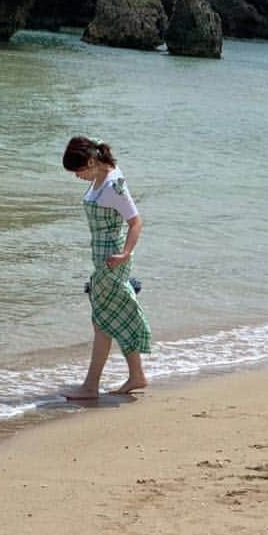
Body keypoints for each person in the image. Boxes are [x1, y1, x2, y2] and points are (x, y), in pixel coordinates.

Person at [61, 135, 151, 399]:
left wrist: (124, 254)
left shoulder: (114, 185)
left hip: (112, 261)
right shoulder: (100, 178)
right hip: (102, 259)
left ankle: (91, 385)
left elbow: (136, 222)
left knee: (102, 322)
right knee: (112, 318)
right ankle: (136, 375)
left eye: (79, 171)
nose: (77, 176)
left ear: (91, 161)